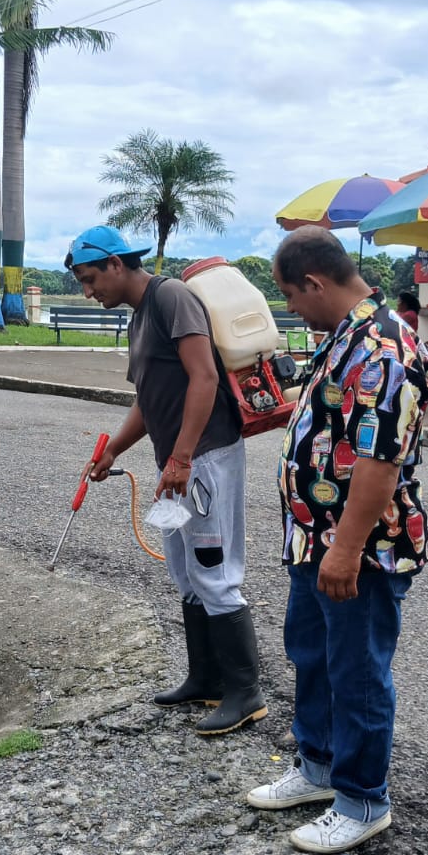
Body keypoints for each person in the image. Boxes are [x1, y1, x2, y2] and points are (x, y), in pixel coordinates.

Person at [247, 227, 428, 855]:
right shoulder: (344, 336)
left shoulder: (385, 347)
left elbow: (380, 461)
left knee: (357, 672)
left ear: (315, 282)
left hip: (361, 549)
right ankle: (319, 766)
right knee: (314, 656)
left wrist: (347, 548)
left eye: (291, 297)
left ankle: (362, 799)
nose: (291, 309)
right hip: (313, 538)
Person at [66, 224, 267, 735]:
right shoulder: (140, 316)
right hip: (177, 464)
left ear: (116, 263)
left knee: (214, 570)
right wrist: (114, 449)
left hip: (204, 459)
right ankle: (205, 678)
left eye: (90, 279)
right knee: (186, 572)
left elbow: (205, 377)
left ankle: (245, 693)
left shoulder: (170, 297)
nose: (88, 292)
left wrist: (181, 458)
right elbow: (148, 399)